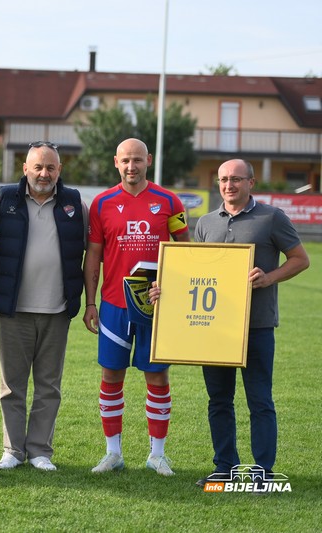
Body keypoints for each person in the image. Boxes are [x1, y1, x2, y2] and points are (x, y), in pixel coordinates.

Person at [151, 159, 309, 486]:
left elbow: (300, 259)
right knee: (219, 401)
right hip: (216, 328)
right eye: (223, 179)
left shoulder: (272, 218)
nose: (229, 185)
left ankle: (262, 471)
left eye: (236, 179)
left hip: (257, 326)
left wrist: (269, 278)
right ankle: (225, 467)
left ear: (251, 182)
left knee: (260, 400)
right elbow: (197, 275)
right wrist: (166, 289)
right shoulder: (206, 223)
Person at [82, 138, 189, 476]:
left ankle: (157, 454)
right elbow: (94, 256)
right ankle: (113, 453)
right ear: (116, 162)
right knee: (111, 375)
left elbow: (187, 252)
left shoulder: (169, 201)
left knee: (157, 375)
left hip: (157, 306)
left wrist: (172, 287)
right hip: (115, 304)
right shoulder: (102, 203)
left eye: (138, 160)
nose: (132, 166)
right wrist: (90, 301)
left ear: (149, 161)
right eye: (126, 160)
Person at [0, 142, 87, 471]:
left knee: (49, 386)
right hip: (14, 309)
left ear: (59, 170)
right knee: (12, 385)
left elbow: (95, 250)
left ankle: (40, 451)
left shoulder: (75, 203)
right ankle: (13, 450)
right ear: (25, 168)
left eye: (50, 168)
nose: (44, 174)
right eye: (38, 167)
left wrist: (89, 301)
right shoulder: (3, 200)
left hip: (58, 310)